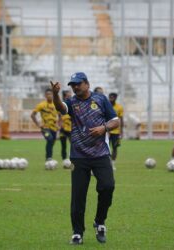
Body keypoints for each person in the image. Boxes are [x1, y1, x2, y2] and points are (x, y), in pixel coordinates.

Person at [51, 72, 120, 245]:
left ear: (87, 84)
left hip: (101, 154)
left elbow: (115, 121)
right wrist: (55, 94)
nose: (75, 87)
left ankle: (100, 221)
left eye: (78, 84)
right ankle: (77, 233)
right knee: (78, 196)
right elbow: (60, 108)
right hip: (79, 156)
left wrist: (104, 128)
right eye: (72, 84)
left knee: (108, 186)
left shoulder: (101, 99)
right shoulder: (72, 103)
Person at [31, 88, 59, 162]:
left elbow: (61, 115)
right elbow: (32, 115)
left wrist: (60, 124)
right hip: (45, 127)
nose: (49, 96)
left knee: (52, 142)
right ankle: (49, 158)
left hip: (54, 128)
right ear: (45, 95)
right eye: (48, 94)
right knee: (50, 139)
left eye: (51, 94)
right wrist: (38, 124)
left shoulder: (56, 104)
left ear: (53, 95)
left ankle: (49, 158)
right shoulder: (41, 105)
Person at [108, 92, 124, 170]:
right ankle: (107, 163)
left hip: (116, 131)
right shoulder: (106, 105)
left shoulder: (119, 107)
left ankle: (113, 164)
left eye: (113, 97)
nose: (111, 98)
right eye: (110, 97)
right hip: (106, 130)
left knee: (115, 148)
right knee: (105, 148)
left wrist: (121, 131)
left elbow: (121, 119)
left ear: (116, 98)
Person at [59, 90, 72, 163]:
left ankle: (72, 159)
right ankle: (64, 160)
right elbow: (58, 117)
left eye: (70, 95)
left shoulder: (73, 104)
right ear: (64, 96)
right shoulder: (60, 105)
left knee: (73, 145)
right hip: (63, 129)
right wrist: (60, 126)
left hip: (71, 129)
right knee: (63, 145)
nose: (70, 96)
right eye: (68, 95)